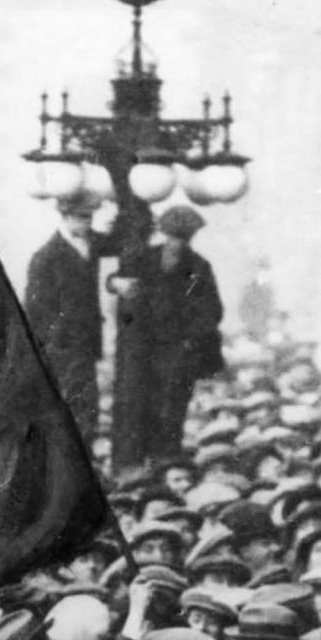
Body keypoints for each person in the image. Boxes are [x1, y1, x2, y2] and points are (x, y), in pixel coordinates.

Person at [112, 204, 224, 477]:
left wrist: (190, 340)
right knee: (134, 406)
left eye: (183, 239)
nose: (178, 244)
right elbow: (118, 286)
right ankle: (131, 469)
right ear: (164, 235)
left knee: (171, 408)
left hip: (176, 353)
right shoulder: (141, 260)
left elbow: (212, 310)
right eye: (173, 237)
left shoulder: (199, 267)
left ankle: (167, 465)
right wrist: (115, 285)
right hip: (140, 351)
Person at [22, 189, 108, 445]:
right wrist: (56, 340)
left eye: (90, 217)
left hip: (86, 344)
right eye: (82, 218)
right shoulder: (45, 258)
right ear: (65, 216)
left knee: (86, 405)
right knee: (75, 405)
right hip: (63, 346)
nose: (88, 223)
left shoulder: (90, 244)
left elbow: (120, 239)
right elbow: (35, 309)